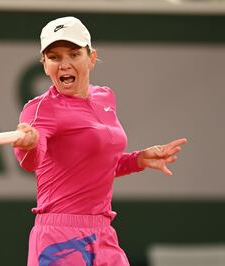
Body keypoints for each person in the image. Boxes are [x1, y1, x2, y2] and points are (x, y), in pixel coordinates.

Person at [12, 16, 187, 266]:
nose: (65, 64)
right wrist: (27, 145)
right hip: (59, 236)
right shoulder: (39, 109)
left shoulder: (105, 98)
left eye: (73, 54)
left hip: (103, 232)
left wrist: (138, 159)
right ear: (44, 65)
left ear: (91, 58)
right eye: (55, 57)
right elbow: (31, 163)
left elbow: (95, 165)